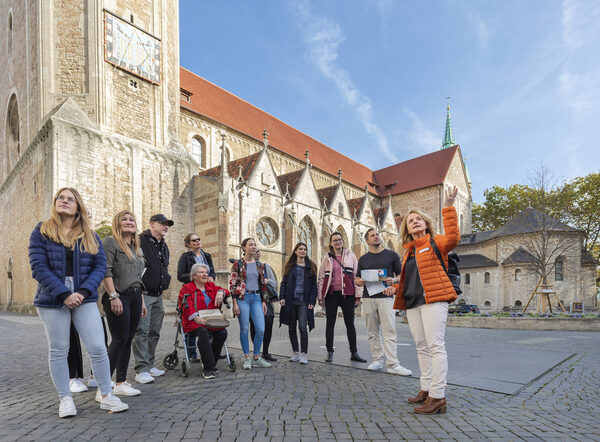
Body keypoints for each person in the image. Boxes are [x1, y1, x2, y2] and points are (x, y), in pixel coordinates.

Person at [29, 187, 128, 418]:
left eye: (70, 199)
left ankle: (106, 395)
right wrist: (64, 294)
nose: (64, 201)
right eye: (60, 198)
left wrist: (82, 292)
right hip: (52, 298)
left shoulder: (90, 236)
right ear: (55, 204)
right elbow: (38, 267)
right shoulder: (41, 231)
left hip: (84, 296)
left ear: (78, 206)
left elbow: (100, 266)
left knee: (97, 346)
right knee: (59, 348)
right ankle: (65, 399)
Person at [391, 186, 460, 414]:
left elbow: (453, 238)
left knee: (435, 346)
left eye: (419, 219)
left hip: (434, 300)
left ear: (425, 224)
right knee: (421, 346)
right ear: (407, 230)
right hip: (413, 304)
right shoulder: (408, 253)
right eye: (411, 221)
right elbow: (411, 279)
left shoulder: (435, 243)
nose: (415, 222)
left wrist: (448, 207)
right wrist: (395, 287)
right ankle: (426, 388)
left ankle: (438, 396)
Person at [101, 210, 147, 397]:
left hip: (136, 296)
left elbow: (138, 277)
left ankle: (120, 382)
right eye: (124, 219)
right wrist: (113, 296)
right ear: (117, 224)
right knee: (118, 340)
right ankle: (103, 388)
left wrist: (142, 300)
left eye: (132, 219)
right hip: (119, 296)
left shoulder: (137, 248)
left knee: (128, 340)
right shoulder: (110, 242)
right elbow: (106, 270)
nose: (129, 222)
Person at [355, 229, 412, 376]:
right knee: (372, 332)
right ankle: (377, 360)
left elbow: (401, 276)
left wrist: (393, 280)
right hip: (368, 298)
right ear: (367, 241)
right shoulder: (363, 259)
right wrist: (359, 282)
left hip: (386, 297)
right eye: (372, 235)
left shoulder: (391, 255)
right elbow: (357, 279)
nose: (376, 236)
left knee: (389, 331)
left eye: (377, 234)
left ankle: (393, 364)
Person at [132, 213, 173, 384]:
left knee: (154, 331)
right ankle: (141, 369)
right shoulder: (140, 240)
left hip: (158, 295)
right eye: (162, 224)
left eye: (167, 225)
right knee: (142, 331)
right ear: (152, 224)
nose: (166, 227)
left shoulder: (163, 245)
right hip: (144, 294)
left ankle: (149, 364)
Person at [317, 232, 366, 363]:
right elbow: (322, 277)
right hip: (331, 294)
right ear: (331, 243)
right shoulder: (327, 257)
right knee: (330, 324)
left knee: (350, 324)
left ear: (342, 241)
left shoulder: (351, 256)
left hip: (348, 294)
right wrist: (320, 296)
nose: (337, 242)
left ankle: (354, 352)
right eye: (335, 240)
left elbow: (357, 275)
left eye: (339, 240)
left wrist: (358, 295)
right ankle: (329, 352)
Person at [179, 263, 228, 379]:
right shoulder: (187, 288)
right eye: (201, 272)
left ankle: (211, 361)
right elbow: (186, 306)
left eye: (206, 272)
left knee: (222, 333)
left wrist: (221, 292)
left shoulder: (210, 286)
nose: (205, 274)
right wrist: (196, 318)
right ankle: (208, 368)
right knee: (203, 333)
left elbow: (224, 290)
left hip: (210, 320)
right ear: (194, 275)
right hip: (193, 322)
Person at [229, 238, 272, 370]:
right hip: (243, 298)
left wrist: (264, 301)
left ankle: (256, 357)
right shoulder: (238, 264)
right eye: (250, 245)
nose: (253, 247)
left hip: (257, 298)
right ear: (243, 248)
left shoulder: (260, 265)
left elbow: (263, 285)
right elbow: (233, 283)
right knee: (245, 329)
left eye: (255, 244)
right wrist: (235, 303)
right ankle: (247, 358)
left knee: (260, 329)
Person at [177, 233, 215, 363]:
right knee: (192, 320)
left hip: (206, 291)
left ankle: (210, 350)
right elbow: (180, 275)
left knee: (207, 318)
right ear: (188, 244)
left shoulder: (207, 255)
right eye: (194, 240)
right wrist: (195, 277)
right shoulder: (185, 257)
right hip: (191, 291)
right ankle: (192, 352)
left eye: (198, 239)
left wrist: (211, 278)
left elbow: (212, 271)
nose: (197, 241)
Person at [279, 243, 317, 364]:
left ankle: (304, 355)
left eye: (305, 249)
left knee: (302, 327)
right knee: (291, 328)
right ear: (295, 251)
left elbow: (314, 286)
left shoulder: (311, 266)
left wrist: (312, 301)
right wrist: (282, 297)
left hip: (304, 302)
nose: (303, 251)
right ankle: (296, 353)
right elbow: (283, 283)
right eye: (300, 249)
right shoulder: (290, 266)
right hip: (291, 301)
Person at [250, 249, 278, 361]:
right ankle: (256, 353)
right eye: (255, 251)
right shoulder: (246, 266)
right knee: (254, 326)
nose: (257, 253)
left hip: (266, 299)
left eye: (258, 252)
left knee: (269, 323)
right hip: (252, 299)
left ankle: (265, 352)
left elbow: (274, 283)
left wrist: (267, 281)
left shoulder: (265, 266)